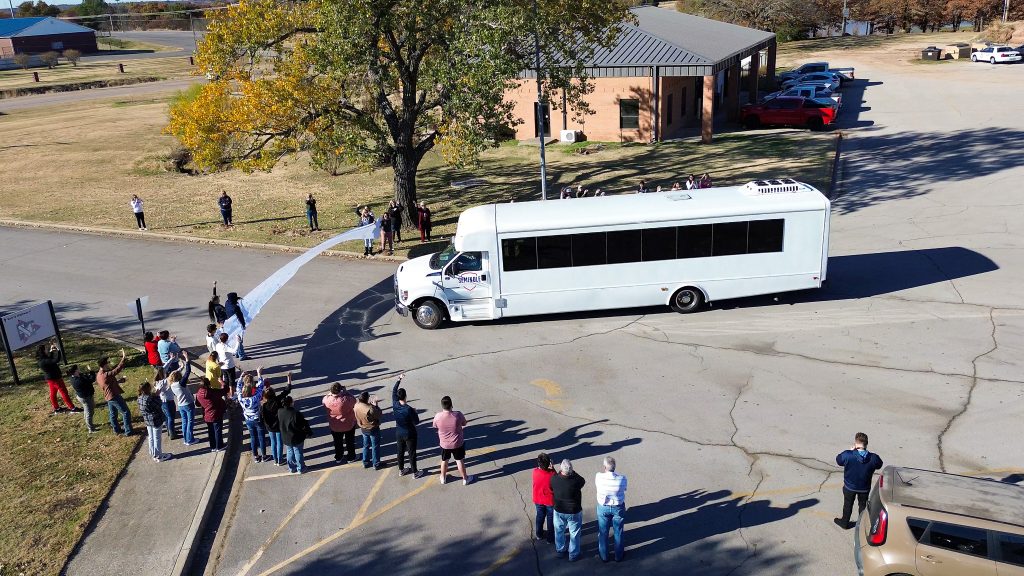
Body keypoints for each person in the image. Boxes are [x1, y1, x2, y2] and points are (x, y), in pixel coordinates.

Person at [834, 432, 883, 529]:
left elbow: (839, 460)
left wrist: (850, 451)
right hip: (864, 488)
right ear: (866, 444)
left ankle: (844, 522)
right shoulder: (873, 458)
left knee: (848, 504)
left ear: (856, 443)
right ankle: (862, 524)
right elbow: (879, 464)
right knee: (863, 505)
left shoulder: (848, 455)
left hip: (849, 487)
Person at [432, 395, 474, 486]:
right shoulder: (458, 414)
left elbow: (435, 426)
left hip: (444, 444)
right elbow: (464, 423)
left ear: (442, 406)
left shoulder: (438, 416)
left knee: (444, 460)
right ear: (451, 405)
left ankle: (443, 477)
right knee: (459, 461)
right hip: (457, 443)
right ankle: (465, 479)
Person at [550, 459, 585, 562]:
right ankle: (573, 554)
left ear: (561, 469)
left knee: (559, 531)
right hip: (574, 511)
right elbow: (582, 481)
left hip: (559, 510)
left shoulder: (554, 479)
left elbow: (552, 486)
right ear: (571, 470)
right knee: (574, 533)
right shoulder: (576, 480)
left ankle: (560, 550)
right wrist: (573, 472)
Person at [595, 456, 628, 562]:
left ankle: (604, 556)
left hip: (603, 507)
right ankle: (618, 556)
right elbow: (625, 489)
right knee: (618, 531)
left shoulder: (599, 477)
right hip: (618, 507)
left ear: (604, 467)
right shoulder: (622, 479)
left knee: (603, 532)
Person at [392, 374, 424, 478]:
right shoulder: (408, 409)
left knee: (400, 451)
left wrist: (398, 380)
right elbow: (417, 421)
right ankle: (415, 472)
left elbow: (393, 390)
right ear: (405, 396)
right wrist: (415, 412)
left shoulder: (395, 403)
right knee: (412, 453)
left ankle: (401, 470)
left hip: (399, 432)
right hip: (409, 433)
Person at [36, 343, 79, 415]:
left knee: (53, 393)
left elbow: (50, 359)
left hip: (51, 379)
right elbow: (56, 360)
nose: (47, 350)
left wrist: (51, 351)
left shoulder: (42, 359)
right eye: (46, 349)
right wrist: (58, 350)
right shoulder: (44, 361)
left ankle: (56, 408)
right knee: (64, 392)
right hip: (55, 379)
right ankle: (72, 408)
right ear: (43, 351)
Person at [97, 350, 132, 436]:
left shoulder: (99, 375)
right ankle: (128, 431)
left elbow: (108, 384)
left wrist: (119, 381)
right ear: (104, 365)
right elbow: (116, 370)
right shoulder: (106, 375)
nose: (109, 365)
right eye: (107, 363)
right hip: (114, 396)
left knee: (113, 414)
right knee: (126, 412)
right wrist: (123, 358)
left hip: (108, 397)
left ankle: (116, 430)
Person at [238, 368, 268, 464]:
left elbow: (238, 386)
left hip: (248, 419)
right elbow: (261, 384)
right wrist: (259, 373)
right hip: (257, 418)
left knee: (253, 437)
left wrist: (241, 377)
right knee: (261, 437)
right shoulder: (255, 397)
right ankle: (264, 456)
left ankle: (256, 456)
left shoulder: (241, 398)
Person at [262, 372, 293, 466]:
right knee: (279, 442)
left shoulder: (264, 406)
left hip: (270, 426)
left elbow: (262, 416)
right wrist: (289, 379)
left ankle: (275, 459)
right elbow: (287, 390)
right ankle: (280, 460)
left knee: (273, 442)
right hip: (279, 425)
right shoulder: (278, 400)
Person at [322, 383, 357, 464]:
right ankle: (351, 457)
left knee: (337, 442)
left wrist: (330, 394)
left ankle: (339, 456)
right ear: (340, 390)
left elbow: (324, 401)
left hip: (334, 425)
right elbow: (354, 400)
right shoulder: (345, 399)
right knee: (350, 441)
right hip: (348, 424)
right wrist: (346, 392)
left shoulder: (326, 400)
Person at [138, 381, 173, 462]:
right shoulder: (150, 399)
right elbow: (159, 404)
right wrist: (157, 395)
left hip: (147, 420)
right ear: (148, 389)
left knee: (151, 437)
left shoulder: (139, 398)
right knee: (157, 438)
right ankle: (159, 456)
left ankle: (153, 452)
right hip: (155, 420)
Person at [278, 395, 312, 474]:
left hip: (286, 436)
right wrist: (308, 433)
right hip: (296, 437)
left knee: (289, 452)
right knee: (298, 452)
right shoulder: (296, 413)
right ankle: (301, 468)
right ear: (290, 403)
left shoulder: (280, 411)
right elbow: (303, 424)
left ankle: (292, 468)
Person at [169, 359, 196, 445]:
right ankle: (190, 439)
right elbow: (188, 372)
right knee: (190, 422)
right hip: (188, 404)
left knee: (184, 422)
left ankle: (185, 439)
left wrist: (181, 367)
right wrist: (187, 360)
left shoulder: (172, 385)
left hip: (180, 405)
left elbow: (175, 374)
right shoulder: (181, 383)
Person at [196, 377, 227, 451]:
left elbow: (197, 404)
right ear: (208, 384)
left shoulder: (199, 393)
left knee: (211, 431)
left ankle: (213, 446)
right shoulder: (212, 392)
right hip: (216, 413)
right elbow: (225, 390)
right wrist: (221, 382)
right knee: (217, 430)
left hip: (206, 414)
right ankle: (219, 446)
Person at [354, 391, 383, 470]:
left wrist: (370, 404)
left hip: (363, 428)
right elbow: (379, 414)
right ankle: (376, 463)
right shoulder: (370, 409)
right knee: (375, 446)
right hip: (372, 428)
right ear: (367, 399)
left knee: (365, 445)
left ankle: (365, 462)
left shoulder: (356, 405)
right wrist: (375, 406)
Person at [532, 452, 556, 543]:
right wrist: (552, 468)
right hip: (549, 501)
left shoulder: (535, 472)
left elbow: (539, 469)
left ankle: (539, 534)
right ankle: (550, 539)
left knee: (540, 516)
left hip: (538, 499)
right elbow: (556, 479)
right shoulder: (552, 474)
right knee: (550, 519)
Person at [68, 364, 98, 433]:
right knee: (89, 412)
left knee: (87, 410)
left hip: (82, 397)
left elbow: (85, 377)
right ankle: (91, 429)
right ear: (75, 371)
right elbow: (91, 379)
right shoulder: (79, 380)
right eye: (78, 368)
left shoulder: (73, 377)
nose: (79, 369)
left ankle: (89, 424)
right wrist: (91, 371)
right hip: (86, 397)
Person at [151, 366, 177, 440]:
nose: (166, 372)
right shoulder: (164, 381)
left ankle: (170, 430)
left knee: (166, 418)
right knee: (171, 417)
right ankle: (172, 433)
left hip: (163, 402)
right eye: (164, 371)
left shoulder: (156, 382)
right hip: (168, 402)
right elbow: (157, 392)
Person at [223, 292, 249, 360]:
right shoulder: (235, 307)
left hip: (230, 324)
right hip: (237, 325)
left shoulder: (227, 303)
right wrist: (243, 325)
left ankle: (237, 353)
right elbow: (241, 317)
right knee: (239, 340)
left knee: (235, 339)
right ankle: (241, 355)